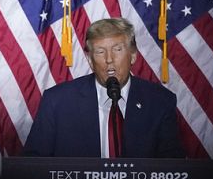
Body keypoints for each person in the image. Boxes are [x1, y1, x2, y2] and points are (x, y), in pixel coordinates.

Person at [22, 17, 185, 158]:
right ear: (90, 60)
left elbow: (172, 170)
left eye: (117, 49)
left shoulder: (160, 102)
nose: (109, 59)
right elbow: (33, 166)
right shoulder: (57, 101)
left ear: (133, 55)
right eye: (100, 52)